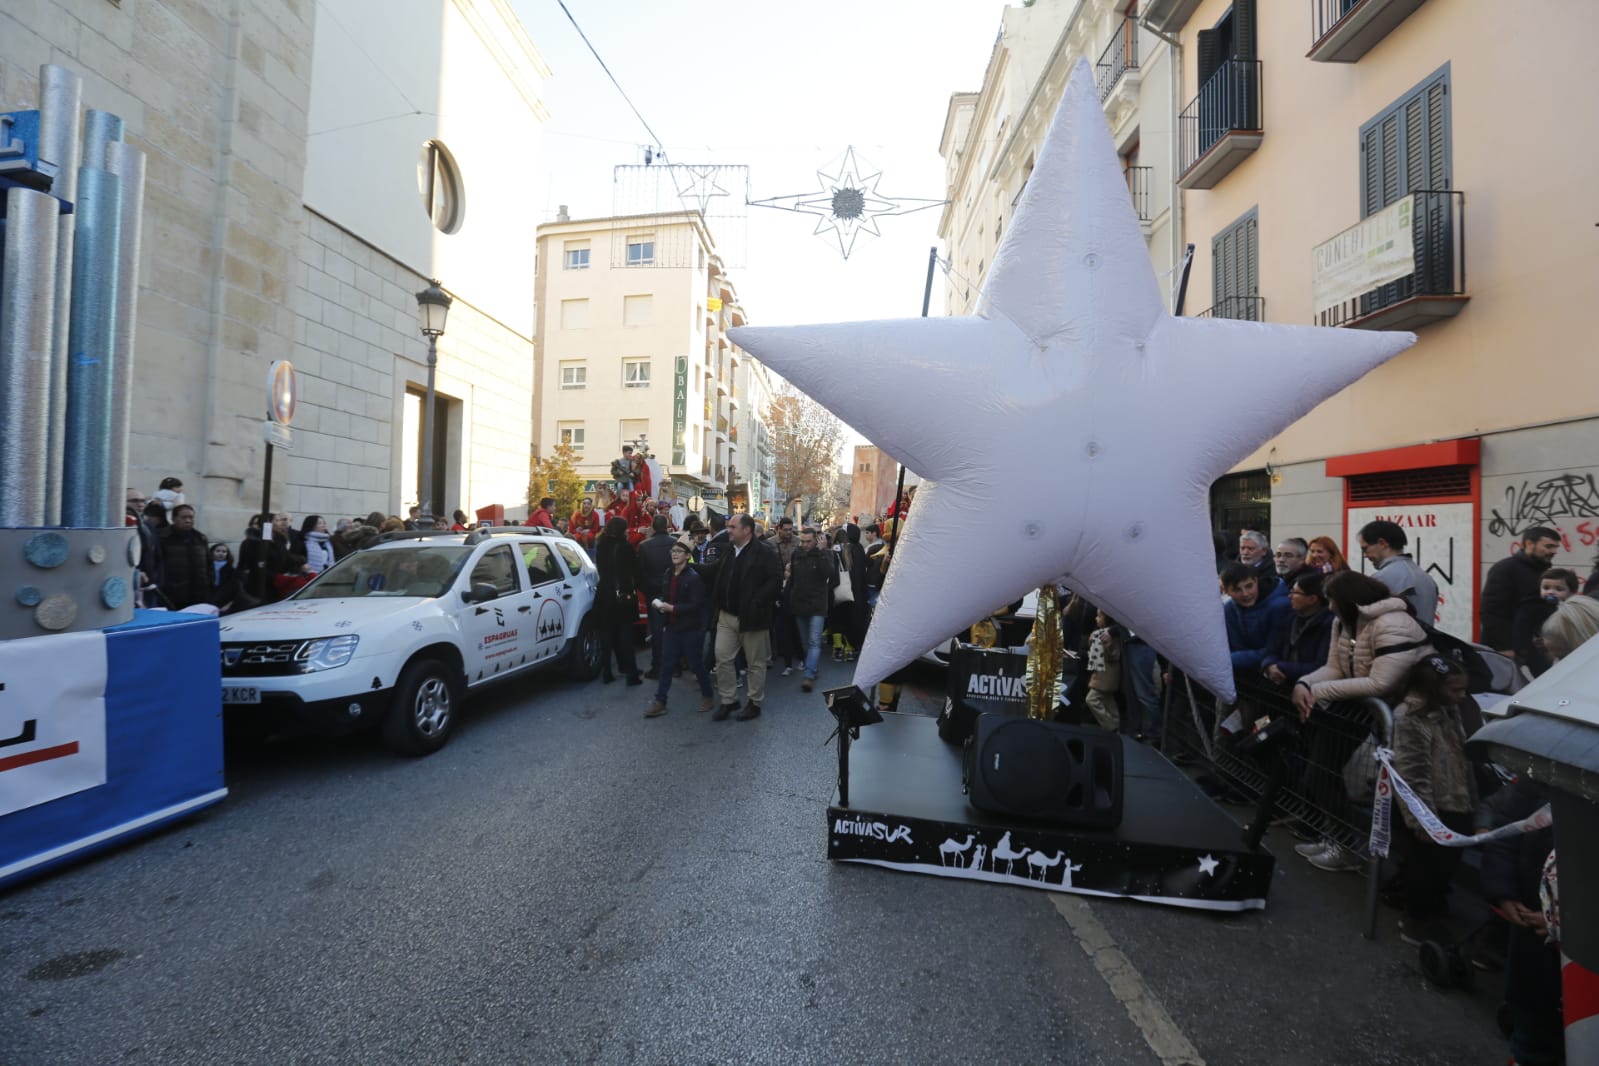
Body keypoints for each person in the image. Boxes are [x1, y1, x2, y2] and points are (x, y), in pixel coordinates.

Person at [1291, 570, 1433, 872]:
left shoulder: (1393, 623)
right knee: (1320, 771)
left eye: (1332, 600)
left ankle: (1375, 859)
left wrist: (1315, 690)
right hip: (1363, 706)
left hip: (1402, 716)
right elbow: (1336, 667)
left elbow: (1381, 682)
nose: (1329, 607)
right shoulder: (1344, 620)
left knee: (1398, 794)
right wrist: (1304, 683)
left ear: (1348, 599)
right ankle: (1341, 841)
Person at [1389, 655, 1479, 945]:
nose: (1462, 695)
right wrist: (1423, 820)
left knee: (1444, 867)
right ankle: (1416, 920)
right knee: (1425, 868)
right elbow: (1413, 772)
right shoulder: (1412, 718)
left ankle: (1433, 910)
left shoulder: (1449, 711)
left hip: (1456, 801)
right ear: (1434, 689)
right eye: (1456, 690)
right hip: (1434, 808)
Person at [702, 514, 782, 721]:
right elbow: (714, 571)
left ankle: (754, 702)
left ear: (746, 530)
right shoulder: (729, 550)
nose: (728, 530)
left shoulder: (764, 552)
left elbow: (775, 581)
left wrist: (756, 602)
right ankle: (729, 700)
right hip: (727, 616)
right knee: (722, 658)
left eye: (733, 527)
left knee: (755, 663)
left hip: (752, 618)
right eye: (729, 526)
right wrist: (689, 566)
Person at [644, 540, 715, 718]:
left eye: (679, 551)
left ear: (688, 556)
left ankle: (708, 695)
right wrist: (659, 602)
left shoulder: (693, 577)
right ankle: (660, 701)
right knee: (666, 665)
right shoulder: (668, 574)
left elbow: (697, 605)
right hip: (672, 627)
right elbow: (666, 595)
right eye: (673, 551)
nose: (674, 554)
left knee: (696, 665)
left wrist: (672, 608)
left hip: (691, 629)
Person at [1479, 526, 1561, 656]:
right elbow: (1491, 612)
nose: (1554, 551)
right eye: (1549, 546)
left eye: (1556, 547)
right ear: (1529, 543)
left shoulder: (1543, 571)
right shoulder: (1505, 569)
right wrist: (1506, 646)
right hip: (1506, 649)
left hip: (1532, 646)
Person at [1259, 571, 1334, 691]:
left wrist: (1281, 667)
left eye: (1295, 592)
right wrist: (1269, 665)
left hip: (1310, 688)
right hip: (1282, 683)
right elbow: (1271, 650)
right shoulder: (1288, 618)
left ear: (1312, 599)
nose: (1289, 596)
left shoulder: (1329, 624)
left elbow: (1321, 666)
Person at [785, 526, 838, 693]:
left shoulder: (825, 553)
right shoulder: (796, 554)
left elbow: (828, 573)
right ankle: (812, 668)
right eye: (803, 541)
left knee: (814, 642)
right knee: (806, 642)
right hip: (799, 603)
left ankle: (809, 675)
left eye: (808, 541)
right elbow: (793, 579)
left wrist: (822, 552)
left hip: (817, 605)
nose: (805, 544)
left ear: (816, 540)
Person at [1356, 519, 1439, 624]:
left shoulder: (1380, 579)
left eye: (1365, 549)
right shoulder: (1427, 579)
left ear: (1382, 543)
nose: (1365, 555)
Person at [1221, 562, 1290, 686]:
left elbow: (1273, 650)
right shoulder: (1229, 608)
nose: (1245, 594)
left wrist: (1226, 660)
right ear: (1226, 591)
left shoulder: (1279, 606)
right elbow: (1235, 644)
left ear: (1256, 581)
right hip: (1241, 674)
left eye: (1249, 586)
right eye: (1237, 590)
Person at [592, 516, 643, 686]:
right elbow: (635, 571)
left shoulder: (601, 545)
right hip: (623, 596)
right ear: (622, 530)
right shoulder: (626, 547)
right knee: (625, 637)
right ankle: (632, 674)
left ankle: (607, 672)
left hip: (604, 595)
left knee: (607, 635)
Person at [636, 515, 677, 679]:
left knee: (657, 631)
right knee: (674, 629)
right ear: (666, 526)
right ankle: (674, 666)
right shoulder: (674, 543)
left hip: (653, 592)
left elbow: (640, 573)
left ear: (653, 527)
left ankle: (657, 666)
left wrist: (647, 590)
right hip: (672, 590)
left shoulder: (645, 546)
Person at [157, 504, 211, 610]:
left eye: (191, 517)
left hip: (198, 594)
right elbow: (158, 564)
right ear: (173, 519)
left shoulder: (200, 538)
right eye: (184, 517)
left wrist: (209, 582)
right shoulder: (163, 537)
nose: (188, 520)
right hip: (172, 594)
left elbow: (209, 563)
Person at [1083, 608, 1124, 731]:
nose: (1096, 619)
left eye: (1099, 616)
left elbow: (1113, 655)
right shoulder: (1101, 633)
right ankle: (1116, 724)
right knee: (1108, 700)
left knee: (1091, 699)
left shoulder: (1106, 636)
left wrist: (1102, 645)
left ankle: (1111, 726)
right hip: (1107, 674)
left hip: (1105, 674)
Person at [209, 543, 245, 613]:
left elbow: (236, 588)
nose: (221, 553)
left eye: (224, 552)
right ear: (212, 552)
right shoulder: (207, 567)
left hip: (223, 601)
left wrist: (229, 604)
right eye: (218, 551)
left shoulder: (231, 570)